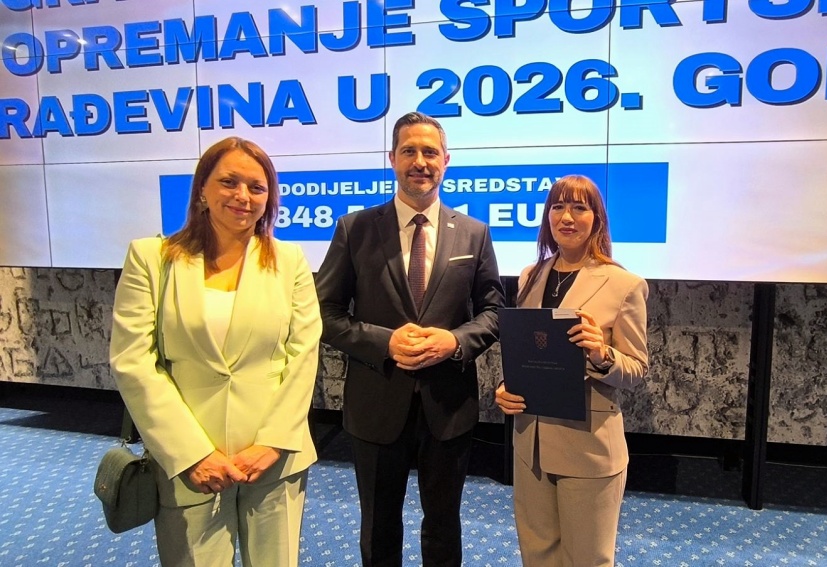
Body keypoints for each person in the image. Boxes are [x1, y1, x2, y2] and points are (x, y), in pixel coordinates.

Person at [109, 137, 322, 566]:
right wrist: (191, 453)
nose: (243, 196)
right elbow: (133, 361)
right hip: (190, 460)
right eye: (229, 182)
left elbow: (303, 354)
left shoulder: (290, 260)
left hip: (275, 457)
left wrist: (274, 443)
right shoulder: (151, 258)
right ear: (202, 189)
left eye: (257, 187)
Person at [315, 111, 504, 567]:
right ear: (392, 159)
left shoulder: (474, 233)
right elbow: (324, 313)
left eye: (430, 152)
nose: (420, 161)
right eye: (409, 151)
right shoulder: (355, 229)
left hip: (448, 406)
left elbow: (495, 312)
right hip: (376, 404)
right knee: (379, 526)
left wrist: (454, 342)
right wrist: (385, 342)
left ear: (446, 161)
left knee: (443, 525)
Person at [495, 175, 649, 567]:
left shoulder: (624, 284)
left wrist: (601, 354)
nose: (567, 217)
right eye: (558, 207)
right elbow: (530, 351)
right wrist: (507, 385)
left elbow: (636, 369)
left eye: (579, 207)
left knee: (586, 559)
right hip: (530, 442)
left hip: (587, 446)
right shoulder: (530, 276)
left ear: (597, 219)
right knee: (538, 555)